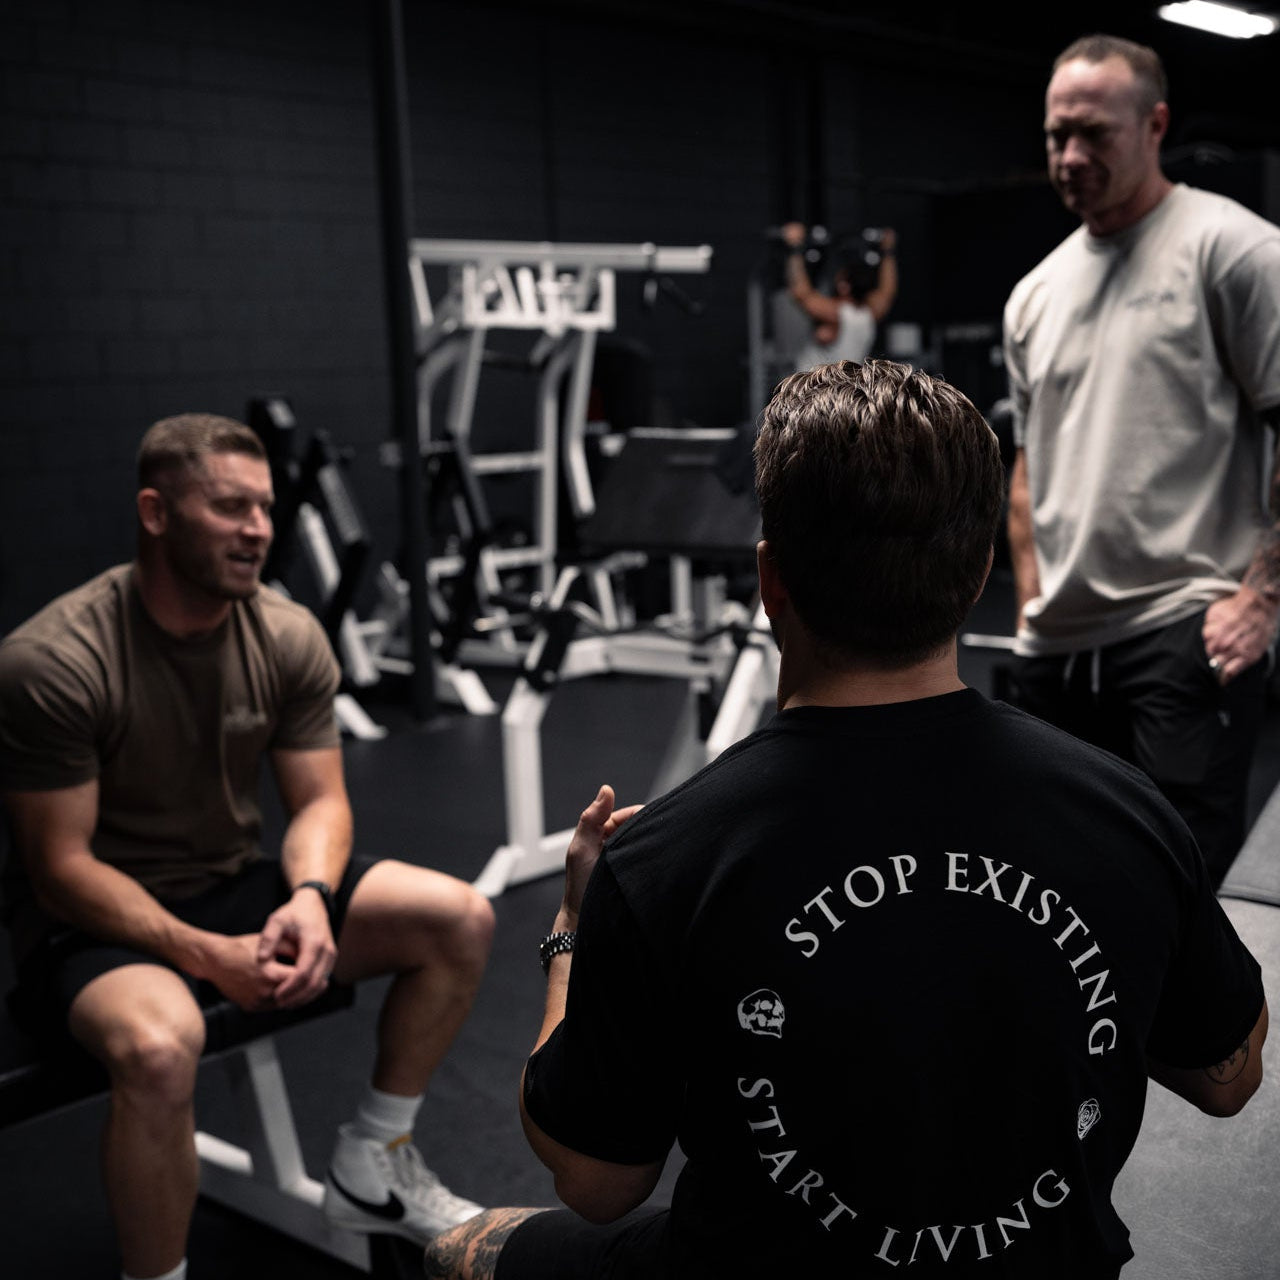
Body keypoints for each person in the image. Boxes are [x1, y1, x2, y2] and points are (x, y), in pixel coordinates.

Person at [422, 359, 1267, 1280]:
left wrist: (573, 931)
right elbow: (1229, 1080)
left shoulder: (665, 859)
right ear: (978, 573)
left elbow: (593, 1182)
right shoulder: (1128, 814)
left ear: (769, 580)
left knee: (456, 1249)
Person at [0, 414, 496, 1280]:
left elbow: (321, 802)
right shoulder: (55, 660)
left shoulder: (285, 632)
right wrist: (205, 954)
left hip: (232, 882)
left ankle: (373, 1160)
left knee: (457, 916)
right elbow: (61, 868)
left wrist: (307, 897)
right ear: (155, 513)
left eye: (265, 507)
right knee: (161, 1049)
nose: (259, 528)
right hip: (91, 926)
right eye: (231, 507)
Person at [1003, 33, 1280, 888]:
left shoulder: (1234, 251)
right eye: (1057, 135)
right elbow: (1028, 470)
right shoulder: (1034, 295)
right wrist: (1031, 602)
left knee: (1169, 892)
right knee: (1053, 892)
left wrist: (1262, 597)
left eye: (1094, 134)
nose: (1070, 157)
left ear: (1155, 125)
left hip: (1181, 630)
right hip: (1055, 647)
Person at [781, 221, 898, 370]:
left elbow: (801, 293)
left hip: (816, 383)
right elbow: (887, 291)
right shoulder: (870, 313)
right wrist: (888, 252)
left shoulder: (837, 314)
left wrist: (794, 248)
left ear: (844, 287)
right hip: (847, 382)